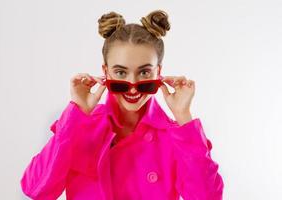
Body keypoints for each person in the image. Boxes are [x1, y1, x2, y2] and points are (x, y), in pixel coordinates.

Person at [20, 10, 224, 200]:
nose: (133, 87)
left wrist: (183, 116)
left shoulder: (175, 135)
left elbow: (207, 197)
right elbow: (36, 189)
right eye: (120, 73)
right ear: (105, 71)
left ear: (158, 72)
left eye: (144, 73)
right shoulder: (80, 126)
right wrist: (77, 112)